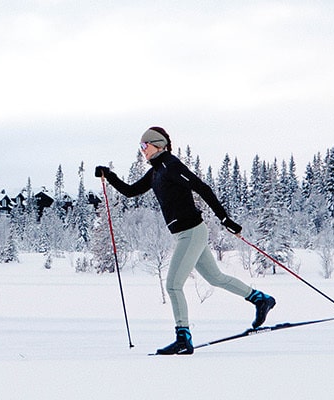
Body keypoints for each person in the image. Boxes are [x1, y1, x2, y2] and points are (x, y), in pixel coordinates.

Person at [95, 126, 275, 356]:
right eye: (140, 146)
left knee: (172, 285)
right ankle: (261, 299)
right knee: (216, 278)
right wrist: (108, 175)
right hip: (186, 234)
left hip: (192, 232)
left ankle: (183, 339)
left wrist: (224, 219)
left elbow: (201, 187)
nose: (142, 150)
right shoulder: (156, 172)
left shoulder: (171, 166)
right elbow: (130, 191)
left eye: (145, 145)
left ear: (159, 144)